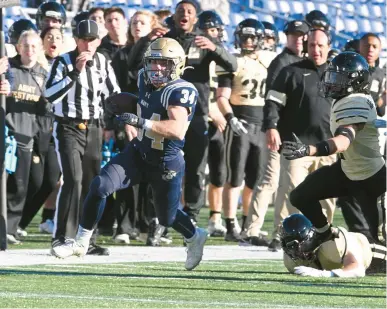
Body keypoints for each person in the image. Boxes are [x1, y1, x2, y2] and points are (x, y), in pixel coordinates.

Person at [51, 37, 208, 271]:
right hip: (139, 151)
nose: (156, 68)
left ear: (178, 64)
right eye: (153, 62)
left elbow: (176, 130)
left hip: (166, 161)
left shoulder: (181, 90)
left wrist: (139, 121)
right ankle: (81, 243)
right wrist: (126, 103)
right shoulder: (145, 78)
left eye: (164, 63)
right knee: (100, 185)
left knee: (167, 217)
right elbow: (145, 104)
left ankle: (195, 236)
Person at [124, 0, 237, 224]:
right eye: (180, 10)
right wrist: (147, 40)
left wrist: (215, 48)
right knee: (157, 164)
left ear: (195, 18)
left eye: (189, 11)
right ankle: (156, 219)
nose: (184, 14)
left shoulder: (203, 40)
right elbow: (132, 64)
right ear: (174, 16)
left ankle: (192, 215)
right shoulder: (164, 38)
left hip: (196, 115)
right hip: (162, 114)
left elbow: (232, 65)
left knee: (195, 169)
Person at [282, 51, 386, 254]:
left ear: (355, 81)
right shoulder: (345, 99)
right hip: (346, 171)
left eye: (338, 78)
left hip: (372, 180)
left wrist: (309, 150)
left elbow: (343, 141)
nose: (332, 82)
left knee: (381, 240)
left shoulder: (356, 102)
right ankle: (324, 232)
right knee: (300, 196)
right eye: (332, 76)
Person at [45, 20, 120, 255]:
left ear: (98, 41)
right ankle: (62, 238)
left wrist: (127, 118)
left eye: (91, 39)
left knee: (92, 184)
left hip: (94, 127)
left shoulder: (102, 61)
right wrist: (74, 73)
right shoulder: (63, 61)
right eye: (83, 39)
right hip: (68, 127)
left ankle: (86, 239)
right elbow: (49, 95)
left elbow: (114, 94)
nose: (87, 43)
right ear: (76, 40)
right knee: (73, 179)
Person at [263, 29, 336, 251]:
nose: (316, 49)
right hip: (297, 145)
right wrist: (271, 127)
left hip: (327, 146)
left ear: (328, 46)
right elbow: (273, 102)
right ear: (306, 46)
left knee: (328, 196)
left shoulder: (337, 74)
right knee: (291, 192)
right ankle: (282, 234)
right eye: (312, 45)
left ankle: (325, 236)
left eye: (320, 45)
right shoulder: (290, 72)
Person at [242, 20, 310, 249]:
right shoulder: (282, 62)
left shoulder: (303, 61)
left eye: (301, 35)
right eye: (293, 34)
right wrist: (273, 127)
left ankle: (264, 229)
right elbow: (272, 99)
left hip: (295, 131)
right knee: (272, 180)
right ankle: (254, 229)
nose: (298, 38)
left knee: (280, 182)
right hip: (279, 129)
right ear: (286, 37)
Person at [217, 19, 269, 242]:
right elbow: (221, 97)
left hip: (262, 124)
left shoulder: (268, 60)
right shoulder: (232, 61)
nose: (248, 41)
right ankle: (230, 224)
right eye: (244, 37)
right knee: (235, 176)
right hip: (240, 123)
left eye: (252, 37)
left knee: (255, 179)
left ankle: (249, 223)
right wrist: (230, 117)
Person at [18, 26, 64, 236]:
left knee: (51, 179)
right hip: (34, 130)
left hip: (55, 131)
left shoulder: (64, 65)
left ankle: (20, 222)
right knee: (32, 180)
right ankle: (14, 222)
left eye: (58, 37)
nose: (53, 40)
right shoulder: (34, 68)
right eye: (49, 37)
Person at [6, 30, 48, 244]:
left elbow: (48, 107)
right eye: (25, 45)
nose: (29, 50)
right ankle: (7, 228)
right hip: (8, 135)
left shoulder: (43, 74)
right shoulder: (8, 69)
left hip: (29, 136)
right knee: (8, 184)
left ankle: (11, 227)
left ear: (39, 49)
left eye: (33, 46)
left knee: (27, 184)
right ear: (18, 47)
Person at [197, 10, 227, 237]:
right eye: (210, 29)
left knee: (219, 170)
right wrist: (211, 113)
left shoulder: (224, 56)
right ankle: (185, 215)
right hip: (199, 117)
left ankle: (215, 217)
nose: (214, 33)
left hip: (221, 121)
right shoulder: (196, 55)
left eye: (216, 29)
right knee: (193, 169)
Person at [280, 214, 387, 277]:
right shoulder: (290, 262)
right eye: (289, 245)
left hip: (369, 253)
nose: (293, 250)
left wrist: (322, 274)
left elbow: (357, 270)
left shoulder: (331, 243)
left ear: (311, 238)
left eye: (296, 244)